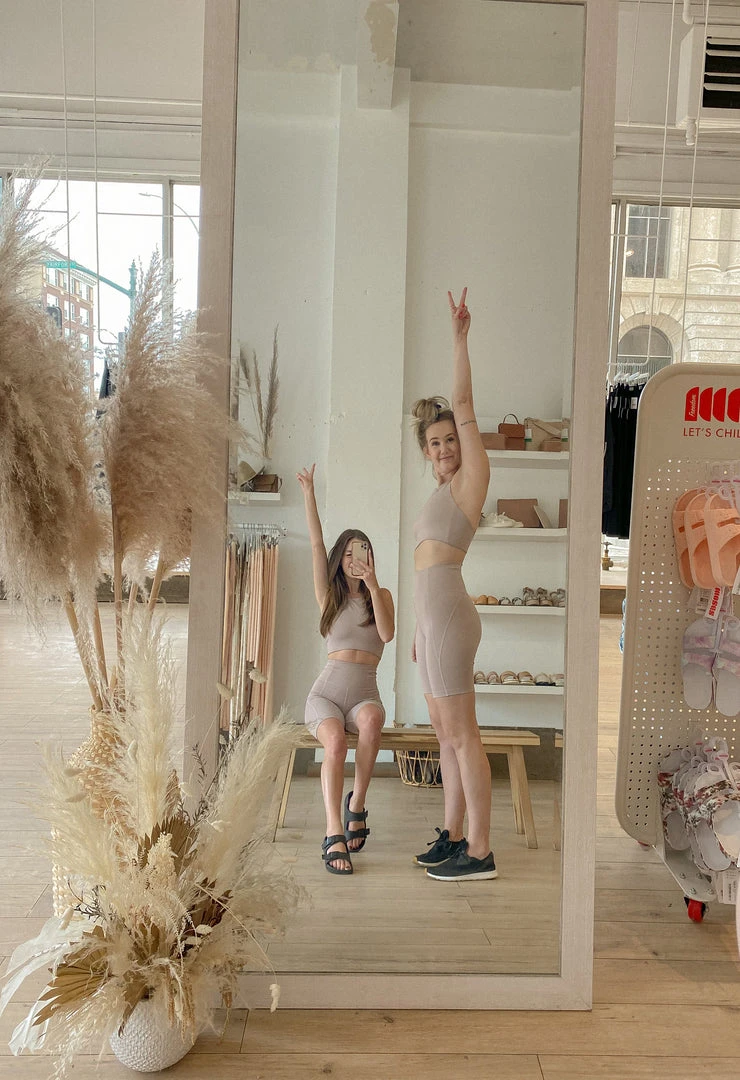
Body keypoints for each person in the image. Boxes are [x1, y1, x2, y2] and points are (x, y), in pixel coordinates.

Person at [410, 288, 496, 881]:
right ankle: (454, 834)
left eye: (451, 439)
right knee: (444, 734)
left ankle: (481, 851)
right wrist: (419, 630)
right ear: (426, 451)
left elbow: (462, 399)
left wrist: (459, 337)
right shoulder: (439, 492)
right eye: (435, 442)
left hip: (450, 620)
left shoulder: (472, 478)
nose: (444, 448)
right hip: (433, 624)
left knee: (463, 736)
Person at [297, 464, 395, 875]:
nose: (357, 558)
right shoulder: (329, 597)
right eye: (350, 552)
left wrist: (372, 585)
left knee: (372, 720)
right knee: (335, 744)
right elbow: (317, 543)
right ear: (341, 559)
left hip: (363, 695)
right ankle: (333, 829)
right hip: (326, 696)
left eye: (364, 551)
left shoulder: (380, 595)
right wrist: (309, 493)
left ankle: (357, 804)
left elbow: (387, 635)